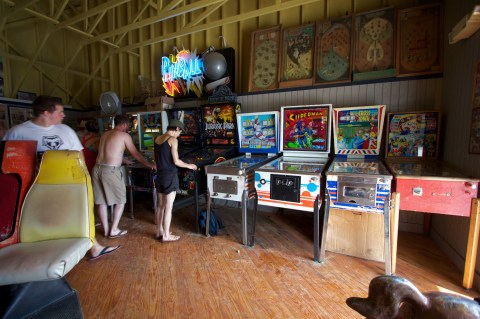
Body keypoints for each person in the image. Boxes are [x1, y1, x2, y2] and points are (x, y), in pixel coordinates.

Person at [2, 95, 120, 261]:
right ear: (45, 113)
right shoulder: (18, 132)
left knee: (79, 216)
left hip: (68, 185)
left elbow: (79, 157)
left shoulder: (66, 131)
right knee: (40, 222)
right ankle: (40, 258)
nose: (63, 115)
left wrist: (83, 182)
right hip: (35, 186)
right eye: (60, 112)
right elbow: (7, 163)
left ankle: (93, 247)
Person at [93, 114, 156, 239]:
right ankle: (114, 229)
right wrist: (149, 164)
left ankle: (106, 230)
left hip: (97, 169)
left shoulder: (105, 134)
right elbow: (136, 154)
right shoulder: (124, 135)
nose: (128, 128)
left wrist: (123, 160)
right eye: (128, 126)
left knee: (101, 202)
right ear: (125, 125)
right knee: (121, 201)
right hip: (110, 171)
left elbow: (108, 152)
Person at [154, 119, 197, 242]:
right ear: (177, 129)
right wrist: (190, 166)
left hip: (160, 175)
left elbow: (157, 159)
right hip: (170, 176)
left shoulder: (157, 139)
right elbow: (176, 161)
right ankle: (166, 235)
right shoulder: (173, 140)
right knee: (168, 206)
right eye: (180, 132)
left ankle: (159, 231)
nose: (180, 134)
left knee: (161, 206)